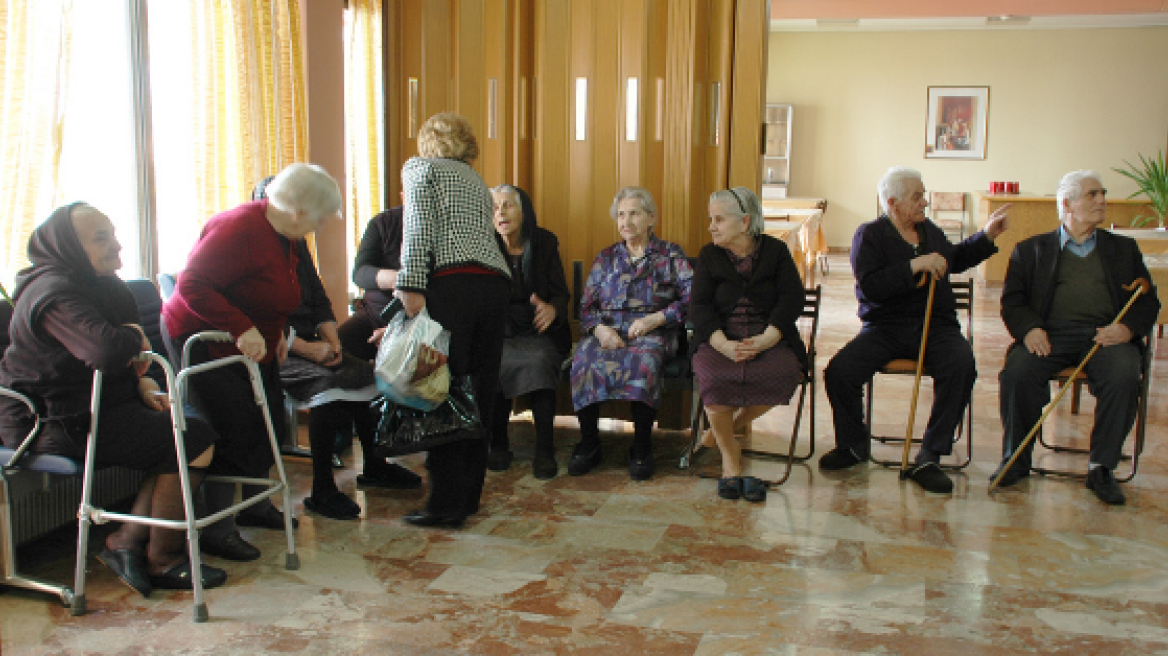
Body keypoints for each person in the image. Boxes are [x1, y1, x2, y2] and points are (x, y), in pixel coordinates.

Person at [0, 203, 224, 596]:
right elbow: (105, 350)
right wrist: (134, 334)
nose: (116, 246)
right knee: (192, 440)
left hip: (99, 406)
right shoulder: (51, 291)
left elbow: (126, 361)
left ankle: (126, 543)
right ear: (68, 246)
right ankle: (159, 557)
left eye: (113, 234)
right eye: (100, 238)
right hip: (49, 421)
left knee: (184, 435)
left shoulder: (102, 285)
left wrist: (144, 386)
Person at [162, 163, 341, 561]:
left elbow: (274, 292)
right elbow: (190, 284)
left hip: (252, 342)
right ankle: (218, 528)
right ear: (298, 209)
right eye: (321, 216)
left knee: (267, 421)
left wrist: (273, 334)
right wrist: (242, 328)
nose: (322, 225)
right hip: (205, 339)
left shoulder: (285, 234)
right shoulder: (239, 228)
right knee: (233, 427)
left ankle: (257, 506)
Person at [820, 166, 1008, 493]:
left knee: (962, 366)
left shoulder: (928, 231)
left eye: (924, 195)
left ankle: (930, 455)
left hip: (936, 327)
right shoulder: (870, 235)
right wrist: (914, 265)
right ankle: (853, 445)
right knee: (839, 371)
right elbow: (872, 285)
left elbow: (954, 259)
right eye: (917, 197)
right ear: (892, 203)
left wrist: (987, 236)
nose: (925, 202)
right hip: (885, 327)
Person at [250, 178, 421, 521]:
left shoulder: (296, 246)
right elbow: (256, 313)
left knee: (371, 377)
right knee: (330, 389)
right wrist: (306, 348)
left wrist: (331, 340)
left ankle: (375, 465)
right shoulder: (251, 248)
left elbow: (318, 297)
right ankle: (322, 489)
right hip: (273, 347)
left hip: (309, 340)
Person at [993, 170, 1159, 505]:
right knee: (1018, 372)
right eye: (1092, 195)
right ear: (1067, 203)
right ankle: (1016, 458)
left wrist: (1126, 330)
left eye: (1103, 194)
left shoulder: (1123, 250)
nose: (1102, 201)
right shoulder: (1030, 250)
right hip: (1049, 335)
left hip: (1105, 336)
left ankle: (1102, 467)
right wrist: (1030, 329)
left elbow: (1148, 301)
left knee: (1124, 375)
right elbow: (1013, 301)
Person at [393, 112, 510, 528]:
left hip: (451, 286)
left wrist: (409, 284)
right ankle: (468, 496)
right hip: (494, 286)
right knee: (479, 391)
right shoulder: (475, 179)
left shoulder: (420, 168)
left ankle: (443, 504)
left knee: (438, 390)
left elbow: (418, 227)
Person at [689, 187, 807, 503]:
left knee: (786, 373)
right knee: (713, 378)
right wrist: (723, 344)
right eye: (711, 219)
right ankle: (730, 458)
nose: (712, 226)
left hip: (769, 337)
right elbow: (698, 307)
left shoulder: (776, 251)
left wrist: (767, 338)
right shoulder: (709, 255)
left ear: (744, 222)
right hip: (719, 339)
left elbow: (792, 298)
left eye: (719, 219)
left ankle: (722, 430)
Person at [569, 186, 693, 481]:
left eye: (634, 213)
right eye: (621, 215)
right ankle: (589, 445)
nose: (626, 221)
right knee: (584, 362)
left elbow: (693, 297)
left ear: (650, 218)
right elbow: (586, 307)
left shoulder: (669, 255)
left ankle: (641, 447)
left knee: (643, 363)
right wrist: (599, 330)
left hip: (654, 330)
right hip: (608, 330)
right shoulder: (606, 257)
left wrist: (657, 319)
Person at [486, 184, 572, 480]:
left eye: (508, 206)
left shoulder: (544, 242)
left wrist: (551, 308)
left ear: (524, 211)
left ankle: (544, 450)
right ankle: (498, 444)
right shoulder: (484, 244)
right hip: (501, 327)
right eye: (495, 208)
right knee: (494, 358)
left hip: (539, 327)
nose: (501, 213)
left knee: (539, 362)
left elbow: (562, 294)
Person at [338, 202, 403, 361]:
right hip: (372, 316)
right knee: (337, 347)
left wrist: (395, 331)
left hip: (420, 321)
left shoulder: (445, 228)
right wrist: (395, 279)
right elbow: (360, 273)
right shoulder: (383, 222)